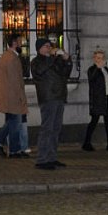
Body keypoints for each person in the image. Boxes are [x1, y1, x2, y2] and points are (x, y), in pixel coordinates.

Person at [31, 38, 73, 170]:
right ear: (39, 49)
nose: (49, 48)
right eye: (46, 46)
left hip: (59, 96)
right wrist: (53, 58)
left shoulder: (54, 61)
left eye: (50, 46)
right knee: (47, 129)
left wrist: (67, 60)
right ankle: (42, 159)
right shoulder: (36, 62)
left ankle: (52, 157)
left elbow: (66, 73)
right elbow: (40, 71)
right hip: (48, 98)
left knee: (55, 130)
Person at [0, 33, 28, 158]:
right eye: (19, 41)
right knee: (15, 123)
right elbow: (15, 81)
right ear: (14, 42)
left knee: (12, 123)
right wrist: (21, 98)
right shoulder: (12, 58)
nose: (21, 43)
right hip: (13, 97)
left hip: (8, 96)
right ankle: (7, 147)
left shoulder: (6, 57)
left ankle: (8, 147)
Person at [83, 49, 108, 152]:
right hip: (98, 99)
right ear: (94, 59)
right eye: (98, 58)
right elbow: (92, 80)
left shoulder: (106, 70)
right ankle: (86, 143)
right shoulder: (92, 70)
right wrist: (97, 68)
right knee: (94, 121)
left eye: (102, 58)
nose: (100, 60)